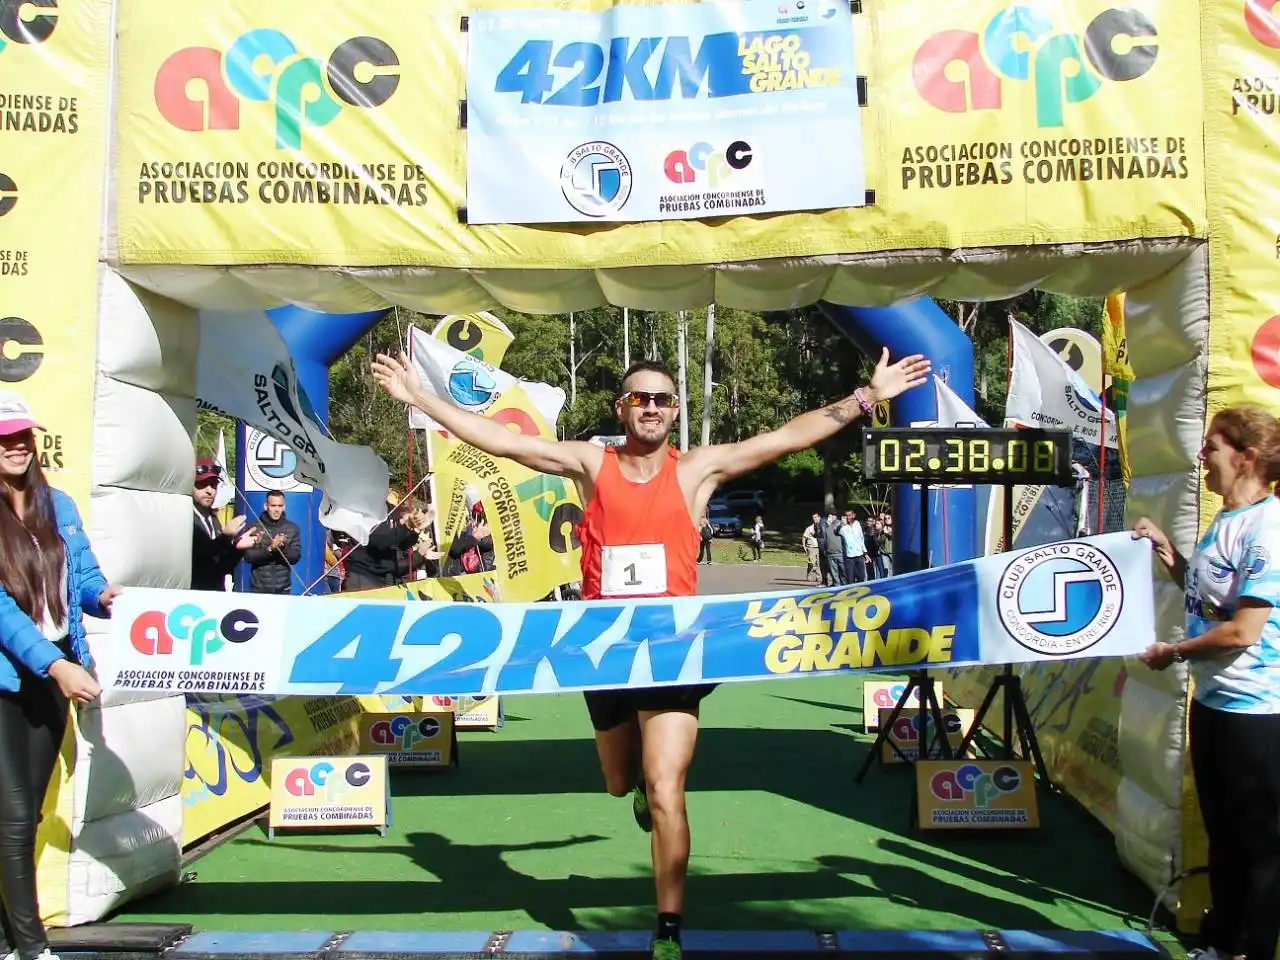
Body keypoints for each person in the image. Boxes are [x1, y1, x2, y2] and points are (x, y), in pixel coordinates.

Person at [372, 346, 929, 959]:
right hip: (604, 650)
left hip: (671, 650)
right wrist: (421, 399)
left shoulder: (696, 471)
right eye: (642, 398)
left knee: (668, 788)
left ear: (675, 411)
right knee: (619, 782)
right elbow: (504, 443)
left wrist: (866, 397)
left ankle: (667, 929)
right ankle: (633, 783)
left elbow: (787, 437)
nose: (654, 408)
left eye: (664, 400)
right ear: (623, 407)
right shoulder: (591, 462)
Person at [1132, 405, 1280, 960]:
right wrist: (1169, 551)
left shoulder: (1269, 528)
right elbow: (1210, 603)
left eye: (1213, 447)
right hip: (1214, 701)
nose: (1202, 457)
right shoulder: (1226, 517)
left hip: (1257, 712)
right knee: (1221, 831)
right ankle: (1221, 944)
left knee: (1254, 840)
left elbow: (1242, 631)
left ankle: (1252, 948)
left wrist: (1173, 651)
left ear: (1246, 458)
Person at [0, 391, 120, 960]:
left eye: (21, 434)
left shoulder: (60, 506)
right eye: (3, 438)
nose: (14, 446)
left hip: (51, 677)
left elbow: (85, 577)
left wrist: (107, 596)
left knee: (28, 813)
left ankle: (11, 937)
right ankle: (31, 947)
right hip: (11, 678)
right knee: (16, 814)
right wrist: (55, 664)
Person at [190, 459, 258, 590]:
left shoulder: (213, 519)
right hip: (191, 596)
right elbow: (200, 555)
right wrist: (225, 537)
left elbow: (222, 566)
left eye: (213, 485)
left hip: (215, 594)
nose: (210, 491)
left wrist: (238, 549)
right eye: (202, 484)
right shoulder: (185, 518)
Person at [244, 491, 302, 595]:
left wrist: (282, 548)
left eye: (280, 506)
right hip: (258, 590)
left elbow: (295, 557)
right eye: (273, 505)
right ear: (266, 506)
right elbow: (248, 556)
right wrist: (269, 549)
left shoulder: (293, 528)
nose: (276, 510)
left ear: (284, 507)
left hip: (283, 590)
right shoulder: (254, 527)